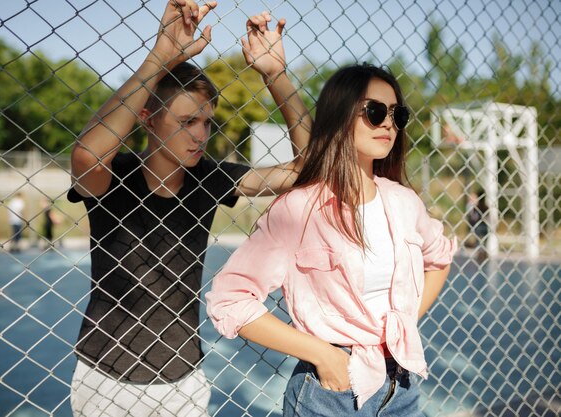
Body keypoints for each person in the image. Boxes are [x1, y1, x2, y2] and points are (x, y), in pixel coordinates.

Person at [67, 1, 311, 416]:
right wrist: (160, 57)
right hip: (105, 376)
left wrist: (277, 77)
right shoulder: (117, 173)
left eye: (206, 122)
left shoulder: (208, 176)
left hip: (185, 376)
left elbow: (308, 169)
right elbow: (87, 155)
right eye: (185, 122)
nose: (200, 135)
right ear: (148, 120)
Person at [206, 64, 457, 416]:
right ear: (339, 116)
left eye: (397, 114)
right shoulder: (300, 209)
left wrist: (405, 322)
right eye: (374, 111)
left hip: (403, 387)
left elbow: (439, 258)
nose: (388, 123)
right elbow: (229, 299)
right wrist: (320, 353)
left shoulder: (404, 202)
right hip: (330, 393)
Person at [466, 189, 488, 261]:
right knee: (484, 243)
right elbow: (488, 216)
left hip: (479, 225)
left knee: (478, 242)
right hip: (485, 225)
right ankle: (484, 255)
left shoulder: (476, 207)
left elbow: (474, 217)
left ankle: (480, 256)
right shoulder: (486, 207)